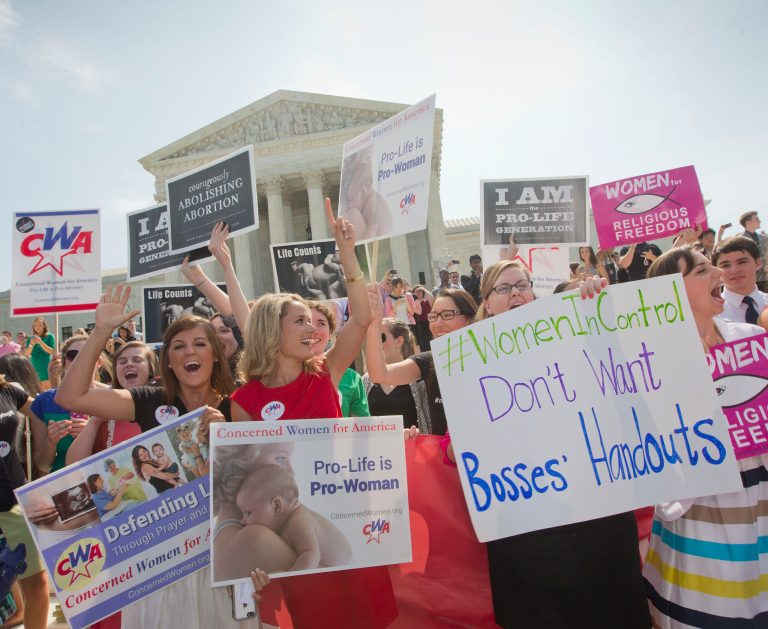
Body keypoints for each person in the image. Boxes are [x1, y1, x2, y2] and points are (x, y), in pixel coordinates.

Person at [230, 200, 398, 629]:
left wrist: (347, 254)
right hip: (296, 536)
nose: (314, 328)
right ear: (272, 331)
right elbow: (252, 474)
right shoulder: (244, 400)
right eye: (300, 322)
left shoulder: (327, 372)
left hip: (347, 512)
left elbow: (361, 317)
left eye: (315, 320)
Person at [54, 287, 251, 629]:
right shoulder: (148, 399)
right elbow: (70, 396)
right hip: (161, 564)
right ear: (170, 361)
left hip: (222, 559)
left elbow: (255, 475)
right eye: (179, 346)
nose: (190, 351)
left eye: (200, 344)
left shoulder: (237, 405)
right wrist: (101, 331)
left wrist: (229, 435)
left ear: (216, 354)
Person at [472, 260, 650, 628]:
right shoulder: (467, 363)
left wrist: (596, 309)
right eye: (503, 289)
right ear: (487, 303)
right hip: (526, 522)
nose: (516, 292)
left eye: (522, 284)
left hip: (595, 513)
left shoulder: (570, 333)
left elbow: (619, 374)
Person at [643, 247, 768, 626]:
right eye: (702, 269)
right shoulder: (648, 359)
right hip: (699, 513)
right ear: (673, 291)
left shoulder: (750, 338)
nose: (719, 272)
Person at [366, 287, 478, 436]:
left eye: (447, 315)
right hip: (442, 458)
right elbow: (379, 374)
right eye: (433, 316)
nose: (437, 323)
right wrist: (374, 322)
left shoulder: (491, 359)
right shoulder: (428, 361)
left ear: (469, 318)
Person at [0, 374, 49, 629]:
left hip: (16, 502)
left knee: (37, 583)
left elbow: (44, 412)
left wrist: (44, 458)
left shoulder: (7, 390)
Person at [235, 463, 351, 571]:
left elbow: (311, 555)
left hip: (340, 567)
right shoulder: (284, 520)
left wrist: (290, 577)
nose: (242, 520)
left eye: (248, 513)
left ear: (276, 506)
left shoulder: (298, 522)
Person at [29, 335, 99, 473]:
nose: (81, 359)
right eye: (73, 355)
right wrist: (51, 442)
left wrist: (92, 434)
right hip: (63, 483)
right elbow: (42, 466)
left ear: (99, 362)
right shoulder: (44, 402)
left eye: (88, 353)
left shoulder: (114, 398)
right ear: (64, 362)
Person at [363, 318, 431, 432]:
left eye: (380, 337)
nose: (375, 343)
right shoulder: (365, 380)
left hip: (411, 448)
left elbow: (429, 424)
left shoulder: (419, 381)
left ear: (399, 341)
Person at [307, 302, 369, 418]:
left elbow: (363, 429)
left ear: (330, 333)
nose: (313, 329)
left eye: (321, 323)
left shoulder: (351, 378)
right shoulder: (278, 376)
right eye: (307, 322)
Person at [712, 236, 768, 324]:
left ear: (758, 263)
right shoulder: (711, 314)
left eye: (742, 262)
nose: (734, 270)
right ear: (716, 270)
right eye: (725, 265)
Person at [739, 210, 768, 291]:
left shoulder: (764, 238)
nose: (760, 221)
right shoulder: (740, 240)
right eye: (757, 219)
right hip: (752, 280)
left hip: (766, 276)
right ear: (748, 222)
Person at [24, 318, 55, 390]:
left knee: (49, 390)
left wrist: (40, 342)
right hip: (35, 366)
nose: (37, 327)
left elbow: (51, 351)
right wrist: (31, 344)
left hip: (46, 366)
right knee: (39, 392)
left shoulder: (49, 336)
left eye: (39, 325)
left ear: (44, 325)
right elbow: (26, 354)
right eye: (35, 326)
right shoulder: (30, 338)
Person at [411, 285, 434, 351]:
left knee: (428, 343)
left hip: (426, 324)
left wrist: (424, 289)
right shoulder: (412, 303)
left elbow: (432, 298)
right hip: (416, 325)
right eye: (416, 291)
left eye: (420, 291)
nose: (418, 293)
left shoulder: (426, 301)